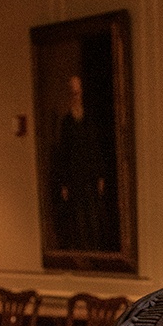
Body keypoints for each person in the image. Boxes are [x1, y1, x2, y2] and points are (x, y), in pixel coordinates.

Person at [49, 72, 120, 250]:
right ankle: (83, 248)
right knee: (78, 216)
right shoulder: (67, 122)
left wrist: (101, 175)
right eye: (73, 93)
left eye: (78, 93)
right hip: (74, 177)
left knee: (93, 215)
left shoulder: (90, 119)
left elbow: (96, 148)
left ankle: (96, 247)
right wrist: (64, 183)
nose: (76, 97)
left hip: (90, 175)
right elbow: (64, 153)